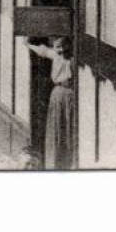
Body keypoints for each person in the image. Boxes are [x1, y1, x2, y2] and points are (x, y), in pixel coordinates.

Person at [29, 37, 76, 170]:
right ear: (54, 47)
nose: (60, 50)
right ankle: (54, 164)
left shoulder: (73, 59)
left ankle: (68, 162)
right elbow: (42, 51)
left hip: (70, 94)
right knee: (56, 125)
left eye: (63, 47)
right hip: (57, 94)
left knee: (68, 126)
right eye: (57, 47)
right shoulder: (55, 55)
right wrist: (27, 44)